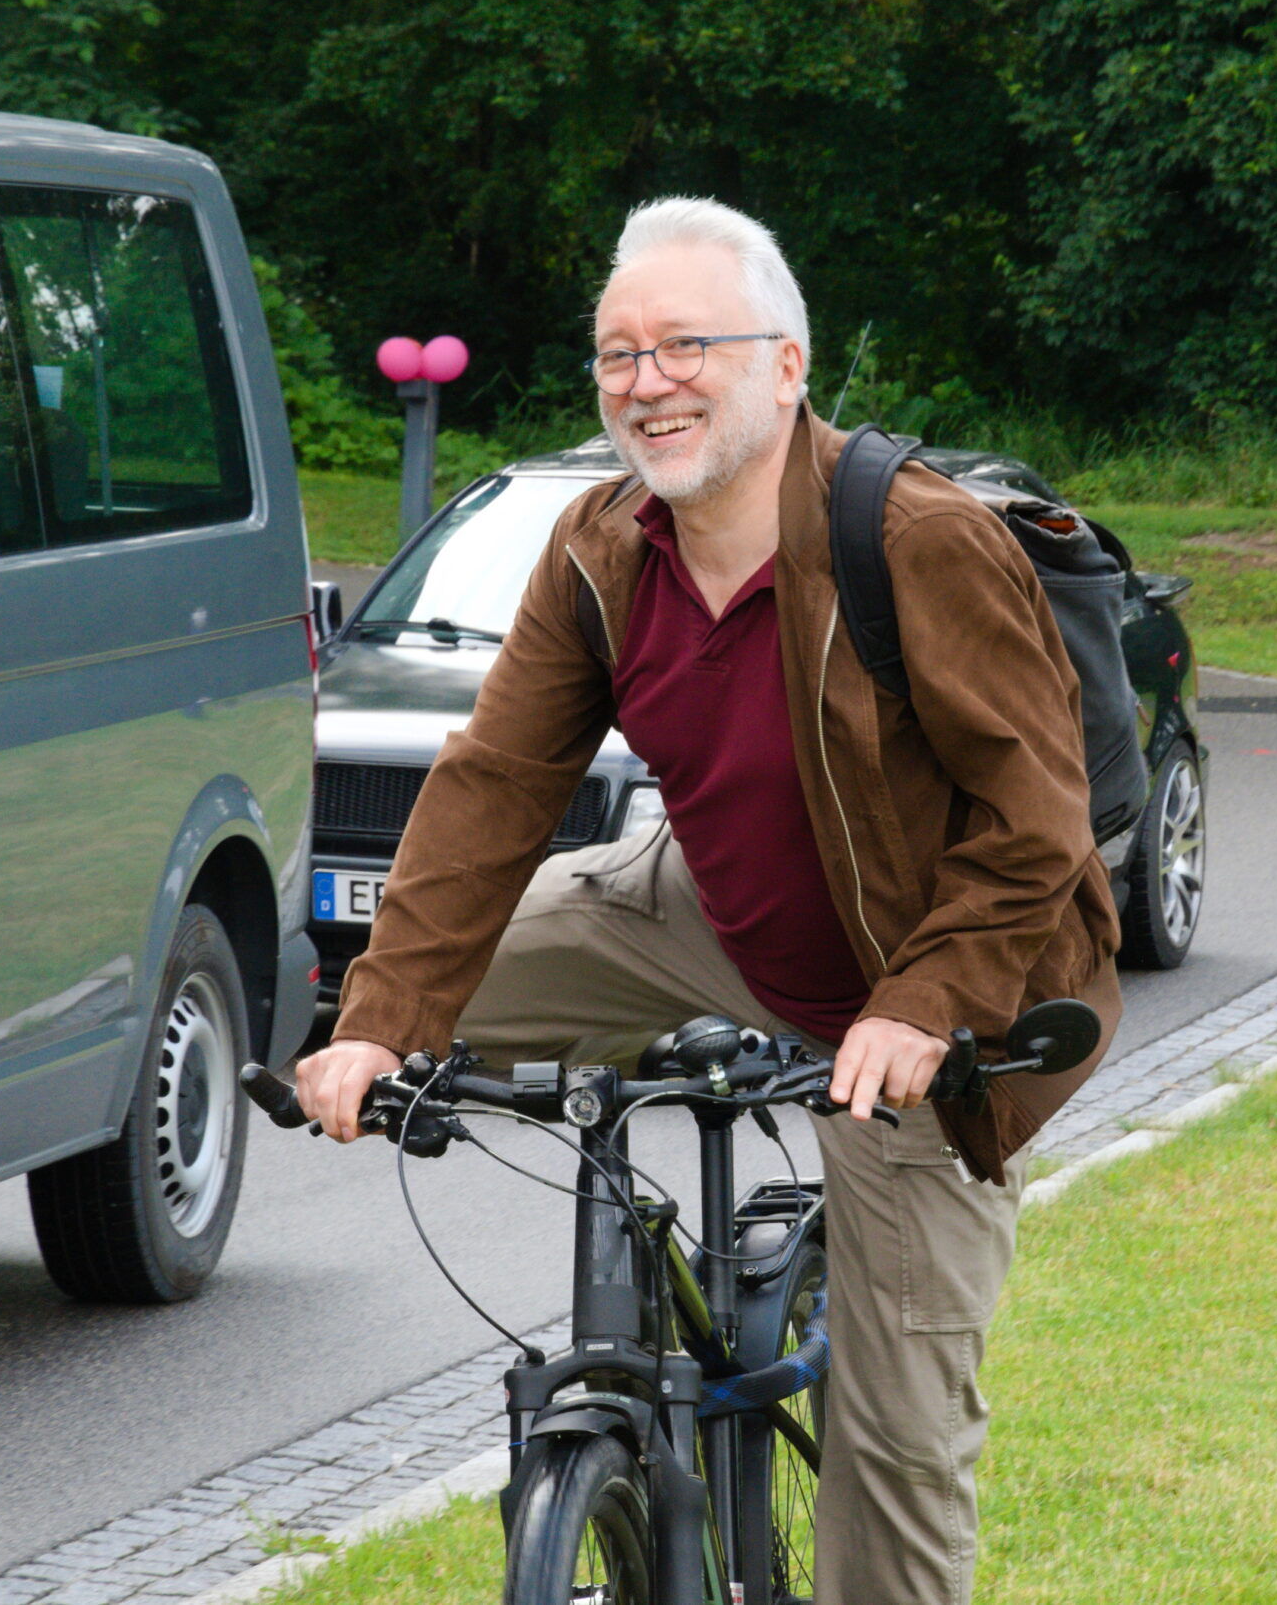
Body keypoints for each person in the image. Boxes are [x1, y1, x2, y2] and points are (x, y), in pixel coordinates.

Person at [298, 195, 1119, 1604]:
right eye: (617, 354)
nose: (644, 381)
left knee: (899, 1446)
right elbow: (495, 782)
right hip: (705, 905)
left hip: (929, 980)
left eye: (684, 345)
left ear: (785, 366)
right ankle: (637, 1304)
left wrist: (927, 1004)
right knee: (432, 1000)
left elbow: (1038, 816)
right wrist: (378, 1020)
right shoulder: (603, 547)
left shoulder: (912, 537)